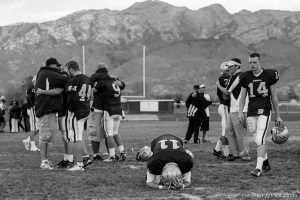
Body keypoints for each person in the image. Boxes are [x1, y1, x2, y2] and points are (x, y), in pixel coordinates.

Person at [238, 53, 282, 177]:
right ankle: (266, 163)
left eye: (254, 62)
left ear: (260, 62)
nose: (252, 65)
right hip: (251, 111)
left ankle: (258, 168)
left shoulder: (269, 75)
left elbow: (274, 97)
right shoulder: (245, 76)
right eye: (250, 62)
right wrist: (241, 112)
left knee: (260, 138)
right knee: (257, 138)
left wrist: (277, 116)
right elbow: (242, 97)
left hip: (264, 110)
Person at [35, 58, 68, 170]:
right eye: (56, 66)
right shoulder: (48, 72)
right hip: (46, 108)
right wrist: (64, 73)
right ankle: (44, 162)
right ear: (51, 65)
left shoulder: (43, 73)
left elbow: (58, 89)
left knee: (47, 136)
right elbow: (65, 80)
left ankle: (45, 160)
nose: (58, 68)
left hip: (46, 108)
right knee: (44, 137)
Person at [217, 58, 250, 161]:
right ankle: (236, 153)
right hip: (234, 108)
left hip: (239, 109)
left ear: (237, 66)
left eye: (230, 66)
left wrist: (219, 85)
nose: (228, 68)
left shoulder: (238, 76)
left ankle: (244, 154)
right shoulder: (236, 76)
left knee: (240, 133)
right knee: (229, 130)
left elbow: (226, 93)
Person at [63, 61, 92, 171]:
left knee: (76, 138)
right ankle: (85, 157)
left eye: (67, 71)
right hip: (85, 108)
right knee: (79, 136)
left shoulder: (74, 80)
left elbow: (69, 94)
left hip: (77, 110)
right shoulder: (87, 78)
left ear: (71, 70)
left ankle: (79, 164)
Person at [94, 64, 126, 162]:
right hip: (119, 109)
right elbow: (122, 85)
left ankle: (112, 156)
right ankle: (122, 152)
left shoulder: (102, 82)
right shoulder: (115, 80)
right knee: (115, 132)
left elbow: (93, 91)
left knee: (109, 134)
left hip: (109, 109)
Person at [87, 63, 110, 161]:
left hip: (96, 109)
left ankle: (96, 154)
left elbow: (89, 91)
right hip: (108, 109)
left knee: (94, 132)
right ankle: (111, 154)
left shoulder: (92, 78)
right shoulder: (110, 78)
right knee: (109, 133)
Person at [213, 62, 231, 158]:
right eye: (229, 69)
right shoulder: (224, 78)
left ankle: (216, 150)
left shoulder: (224, 78)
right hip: (225, 106)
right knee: (225, 132)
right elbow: (227, 94)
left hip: (225, 106)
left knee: (227, 131)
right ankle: (227, 154)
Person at [22, 75, 40, 151]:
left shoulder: (36, 87)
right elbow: (29, 98)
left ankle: (27, 140)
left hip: (36, 109)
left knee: (39, 127)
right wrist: (32, 106)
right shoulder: (32, 87)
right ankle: (32, 146)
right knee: (33, 127)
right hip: (32, 109)